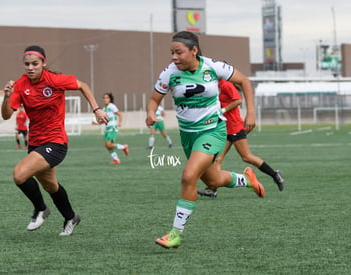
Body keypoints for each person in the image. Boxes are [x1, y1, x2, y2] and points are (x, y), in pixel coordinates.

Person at [146, 31, 265, 249]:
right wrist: (151, 113)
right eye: (172, 52)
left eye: (178, 52)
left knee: (188, 176)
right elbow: (154, 99)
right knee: (213, 181)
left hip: (213, 131)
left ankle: (175, 234)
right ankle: (246, 180)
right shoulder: (169, 73)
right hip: (188, 136)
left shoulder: (213, 66)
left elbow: (244, 82)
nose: (174, 57)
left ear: (194, 50)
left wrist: (251, 113)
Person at [1, 45, 108, 236]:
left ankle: (41, 209)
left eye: (35, 63)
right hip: (35, 143)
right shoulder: (20, 85)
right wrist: (7, 97)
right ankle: (71, 217)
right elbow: (6, 115)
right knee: (51, 186)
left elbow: (83, 85)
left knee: (19, 174)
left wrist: (96, 109)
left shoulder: (55, 80)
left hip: (56, 143)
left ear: (44, 63)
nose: (31, 68)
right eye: (27, 64)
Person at [198, 80, 284, 199]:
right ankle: (213, 190)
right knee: (217, 159)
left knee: (246, 156)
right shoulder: (216, 85)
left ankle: (274, 174)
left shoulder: (225, 84)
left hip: (234, 127)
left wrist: (222, 111)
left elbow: (238, 100)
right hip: (225, 128)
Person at [93, 92, 129, 164]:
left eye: (106, 98)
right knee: (107, 146)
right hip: (107, 128)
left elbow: (119, 114)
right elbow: (104, 120)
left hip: (112, 128)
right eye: (104, 98)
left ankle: (123, 147)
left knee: (108, 144)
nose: (105, 99)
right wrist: (96, 123)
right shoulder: (104, 109)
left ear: (110, 99)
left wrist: (119, 123)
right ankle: (116, 159)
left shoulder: (112, 106)